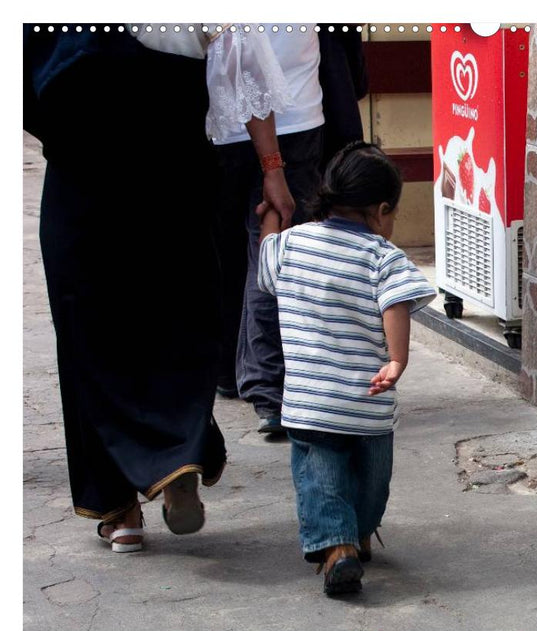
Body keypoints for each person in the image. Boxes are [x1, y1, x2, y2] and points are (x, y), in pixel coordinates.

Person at [23, 25, 294, 552]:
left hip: (82, 179)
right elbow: (251, 74)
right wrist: (273, 172)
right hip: (176, 174)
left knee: (88, 333)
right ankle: (177, 457)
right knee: (180, 319)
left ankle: (118, 509)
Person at [255, 142, 435, 595]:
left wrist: (273, 215)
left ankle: (338, 545)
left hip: (310, 403)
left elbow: (267, 251)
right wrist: (397, 360)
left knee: (322, 474)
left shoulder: (291, 245)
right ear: (380, 210)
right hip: (367, 404)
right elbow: (395, 303)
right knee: (373, 480)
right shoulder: (382, 257)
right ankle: (351, 539)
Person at [213, 28, 368, 437]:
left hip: (230, 124)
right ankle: (267, 387)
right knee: (273, 253)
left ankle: (241, 373)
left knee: (242, 252)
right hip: (287, 124)